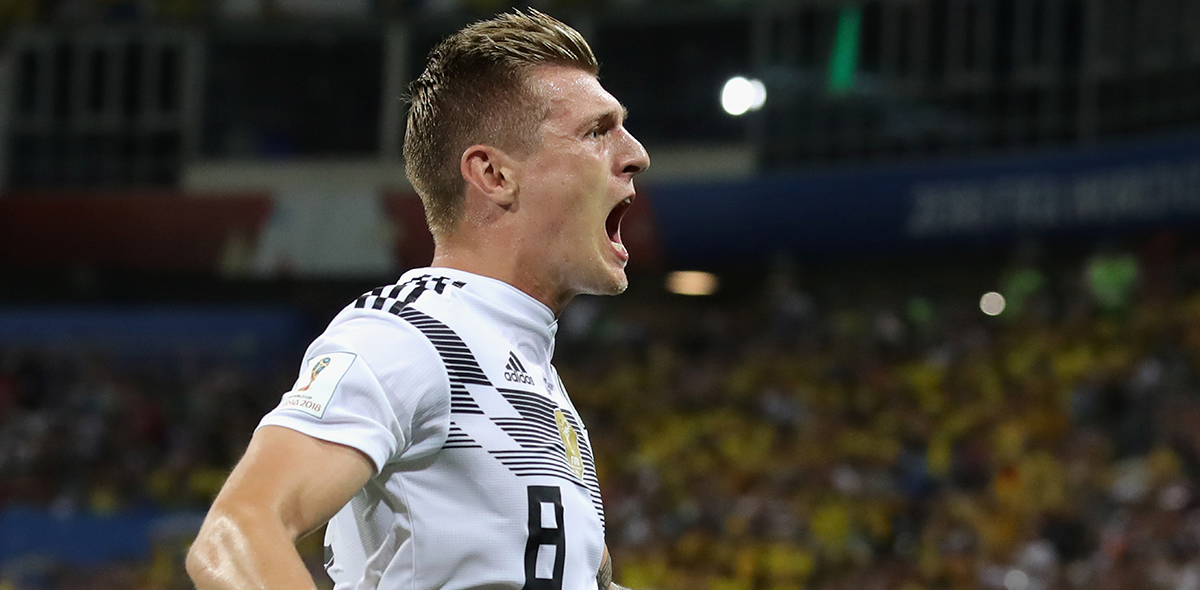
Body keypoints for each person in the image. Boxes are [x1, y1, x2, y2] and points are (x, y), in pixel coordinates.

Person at [185, 9, 649, 590]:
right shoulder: (408, 334)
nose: (636, 154)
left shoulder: (530, 370)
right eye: (596, 132)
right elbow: (238, 532)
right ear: (494, 175)